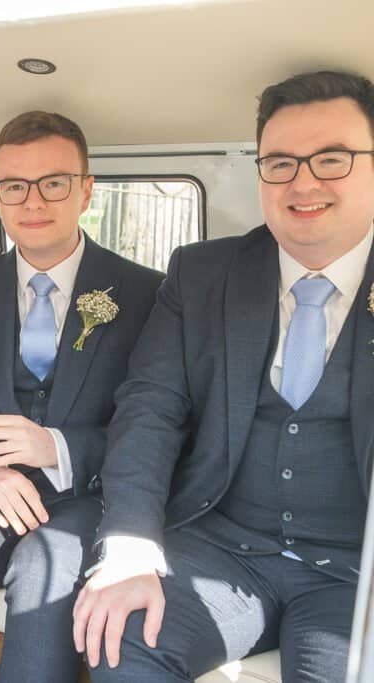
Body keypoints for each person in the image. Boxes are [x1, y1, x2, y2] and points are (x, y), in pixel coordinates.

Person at [73, 70, 374, 683]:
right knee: (121, 643)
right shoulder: (203, 273)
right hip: (224, 549)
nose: (304, 182)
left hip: (355, 572)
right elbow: (148, 408)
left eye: (332, 159)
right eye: (281, 163)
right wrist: (129, 545)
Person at [0, 111, 162, 682]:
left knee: (49, 567)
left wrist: (57, 447)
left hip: (86, 493)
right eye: (14, 186)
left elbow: (158, 424)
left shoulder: (148, 293)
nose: (33, 201)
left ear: (85, 190)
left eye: (53, 183)